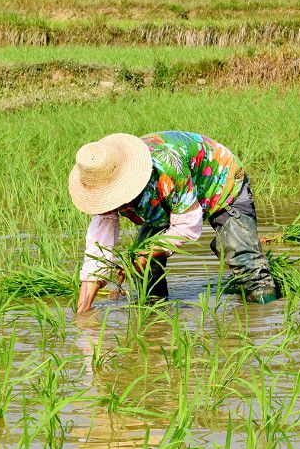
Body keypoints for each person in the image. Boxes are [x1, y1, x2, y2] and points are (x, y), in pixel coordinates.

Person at [68, 131, 279, 314]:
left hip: (220, 182)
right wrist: (83, 312)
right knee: (144, 272)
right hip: (164, 199)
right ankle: (155, 320)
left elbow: (188, 225)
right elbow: (97, 253)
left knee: (245, 260)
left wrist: (146, 254)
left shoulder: (167, 168)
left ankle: (266, 321)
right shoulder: (102, 182)